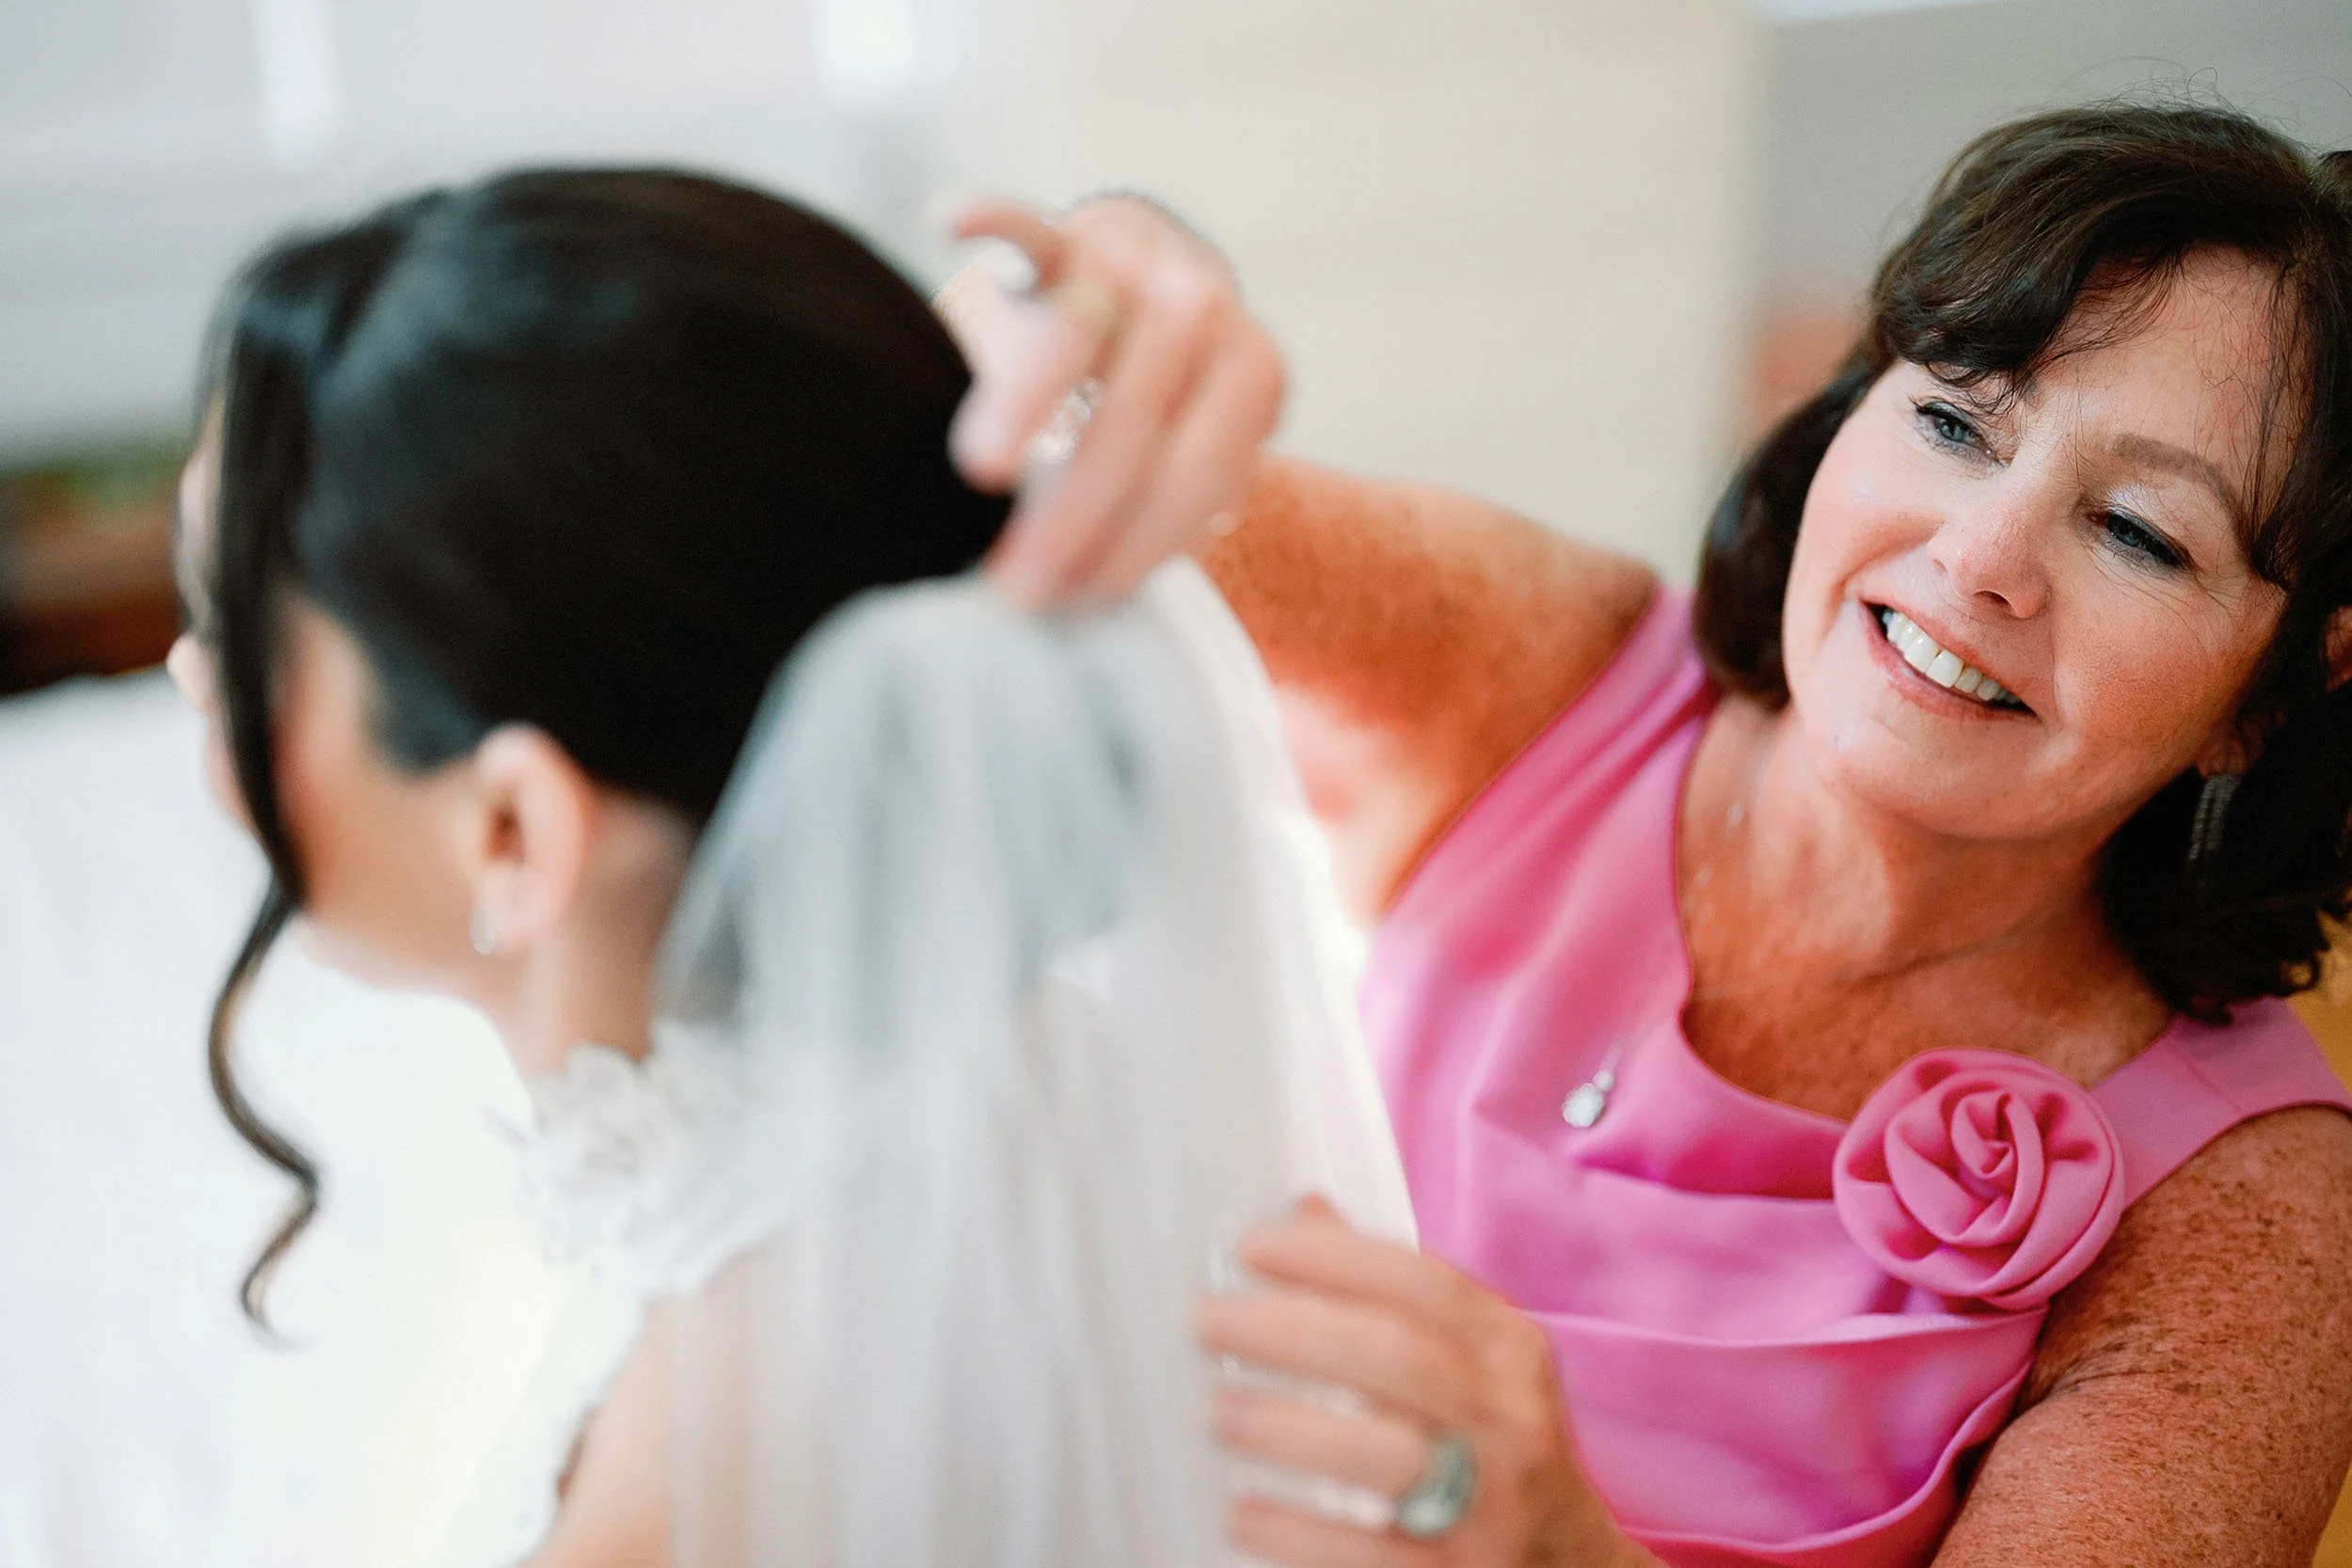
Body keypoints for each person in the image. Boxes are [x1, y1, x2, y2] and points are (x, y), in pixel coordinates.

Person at [945, 103, 2352, 1565]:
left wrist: (1568, 1546)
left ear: (2276, 686)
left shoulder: (2259, 1219)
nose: (1978, 559)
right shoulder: (1539, 663)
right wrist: (1086, 304)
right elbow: (1007, 466)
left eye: (2136, 530)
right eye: (1951, 421)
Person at [167, 167, 1412, 1568]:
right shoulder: (1014, 1069)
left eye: (229, 636)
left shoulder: (673, 1491)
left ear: (512, 832)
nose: (181, 675)